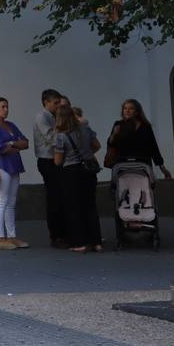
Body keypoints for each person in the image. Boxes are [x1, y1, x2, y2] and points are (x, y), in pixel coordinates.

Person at [54, 103, 104, 252]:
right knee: (90, 206)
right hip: (88, 171)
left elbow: (57, 161)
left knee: (74, 208)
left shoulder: (60, 136)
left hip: (71, 173)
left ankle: (79, 243)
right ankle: (96, 242)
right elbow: (97, 145)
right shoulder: (86, 129)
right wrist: (86, 154)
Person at [0, 97, 29, 250]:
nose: (6, 109)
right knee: (2, 201)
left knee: (11, 202)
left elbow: (26, 142)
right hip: (1, 166)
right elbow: (0, 148)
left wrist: (11, 143)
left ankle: (11, 236)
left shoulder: (10, 125)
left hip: (14, 165)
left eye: (7, 107)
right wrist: (15, 145)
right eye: (3, 107)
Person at [33, 89, 67, 248]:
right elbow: (50, 136)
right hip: (48, 160)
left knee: (60, 197)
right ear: (46, 102)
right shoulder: (42, 117)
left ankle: (62, 231)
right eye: (55, 103)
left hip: (56, 159)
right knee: (54, 198)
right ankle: (56, 235)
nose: (58, 106)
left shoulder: (53, 117)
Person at [107, 99, 173, 180]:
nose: (127, 111)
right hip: (123, 165)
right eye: (125, 108)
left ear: (137, 112)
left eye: (131, 108)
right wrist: (114, 134)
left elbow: (153, 147)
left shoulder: (145, 127)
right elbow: (110, 143)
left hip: (142, 164)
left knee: (145, 189)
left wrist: (162, 168)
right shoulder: (118, 124)